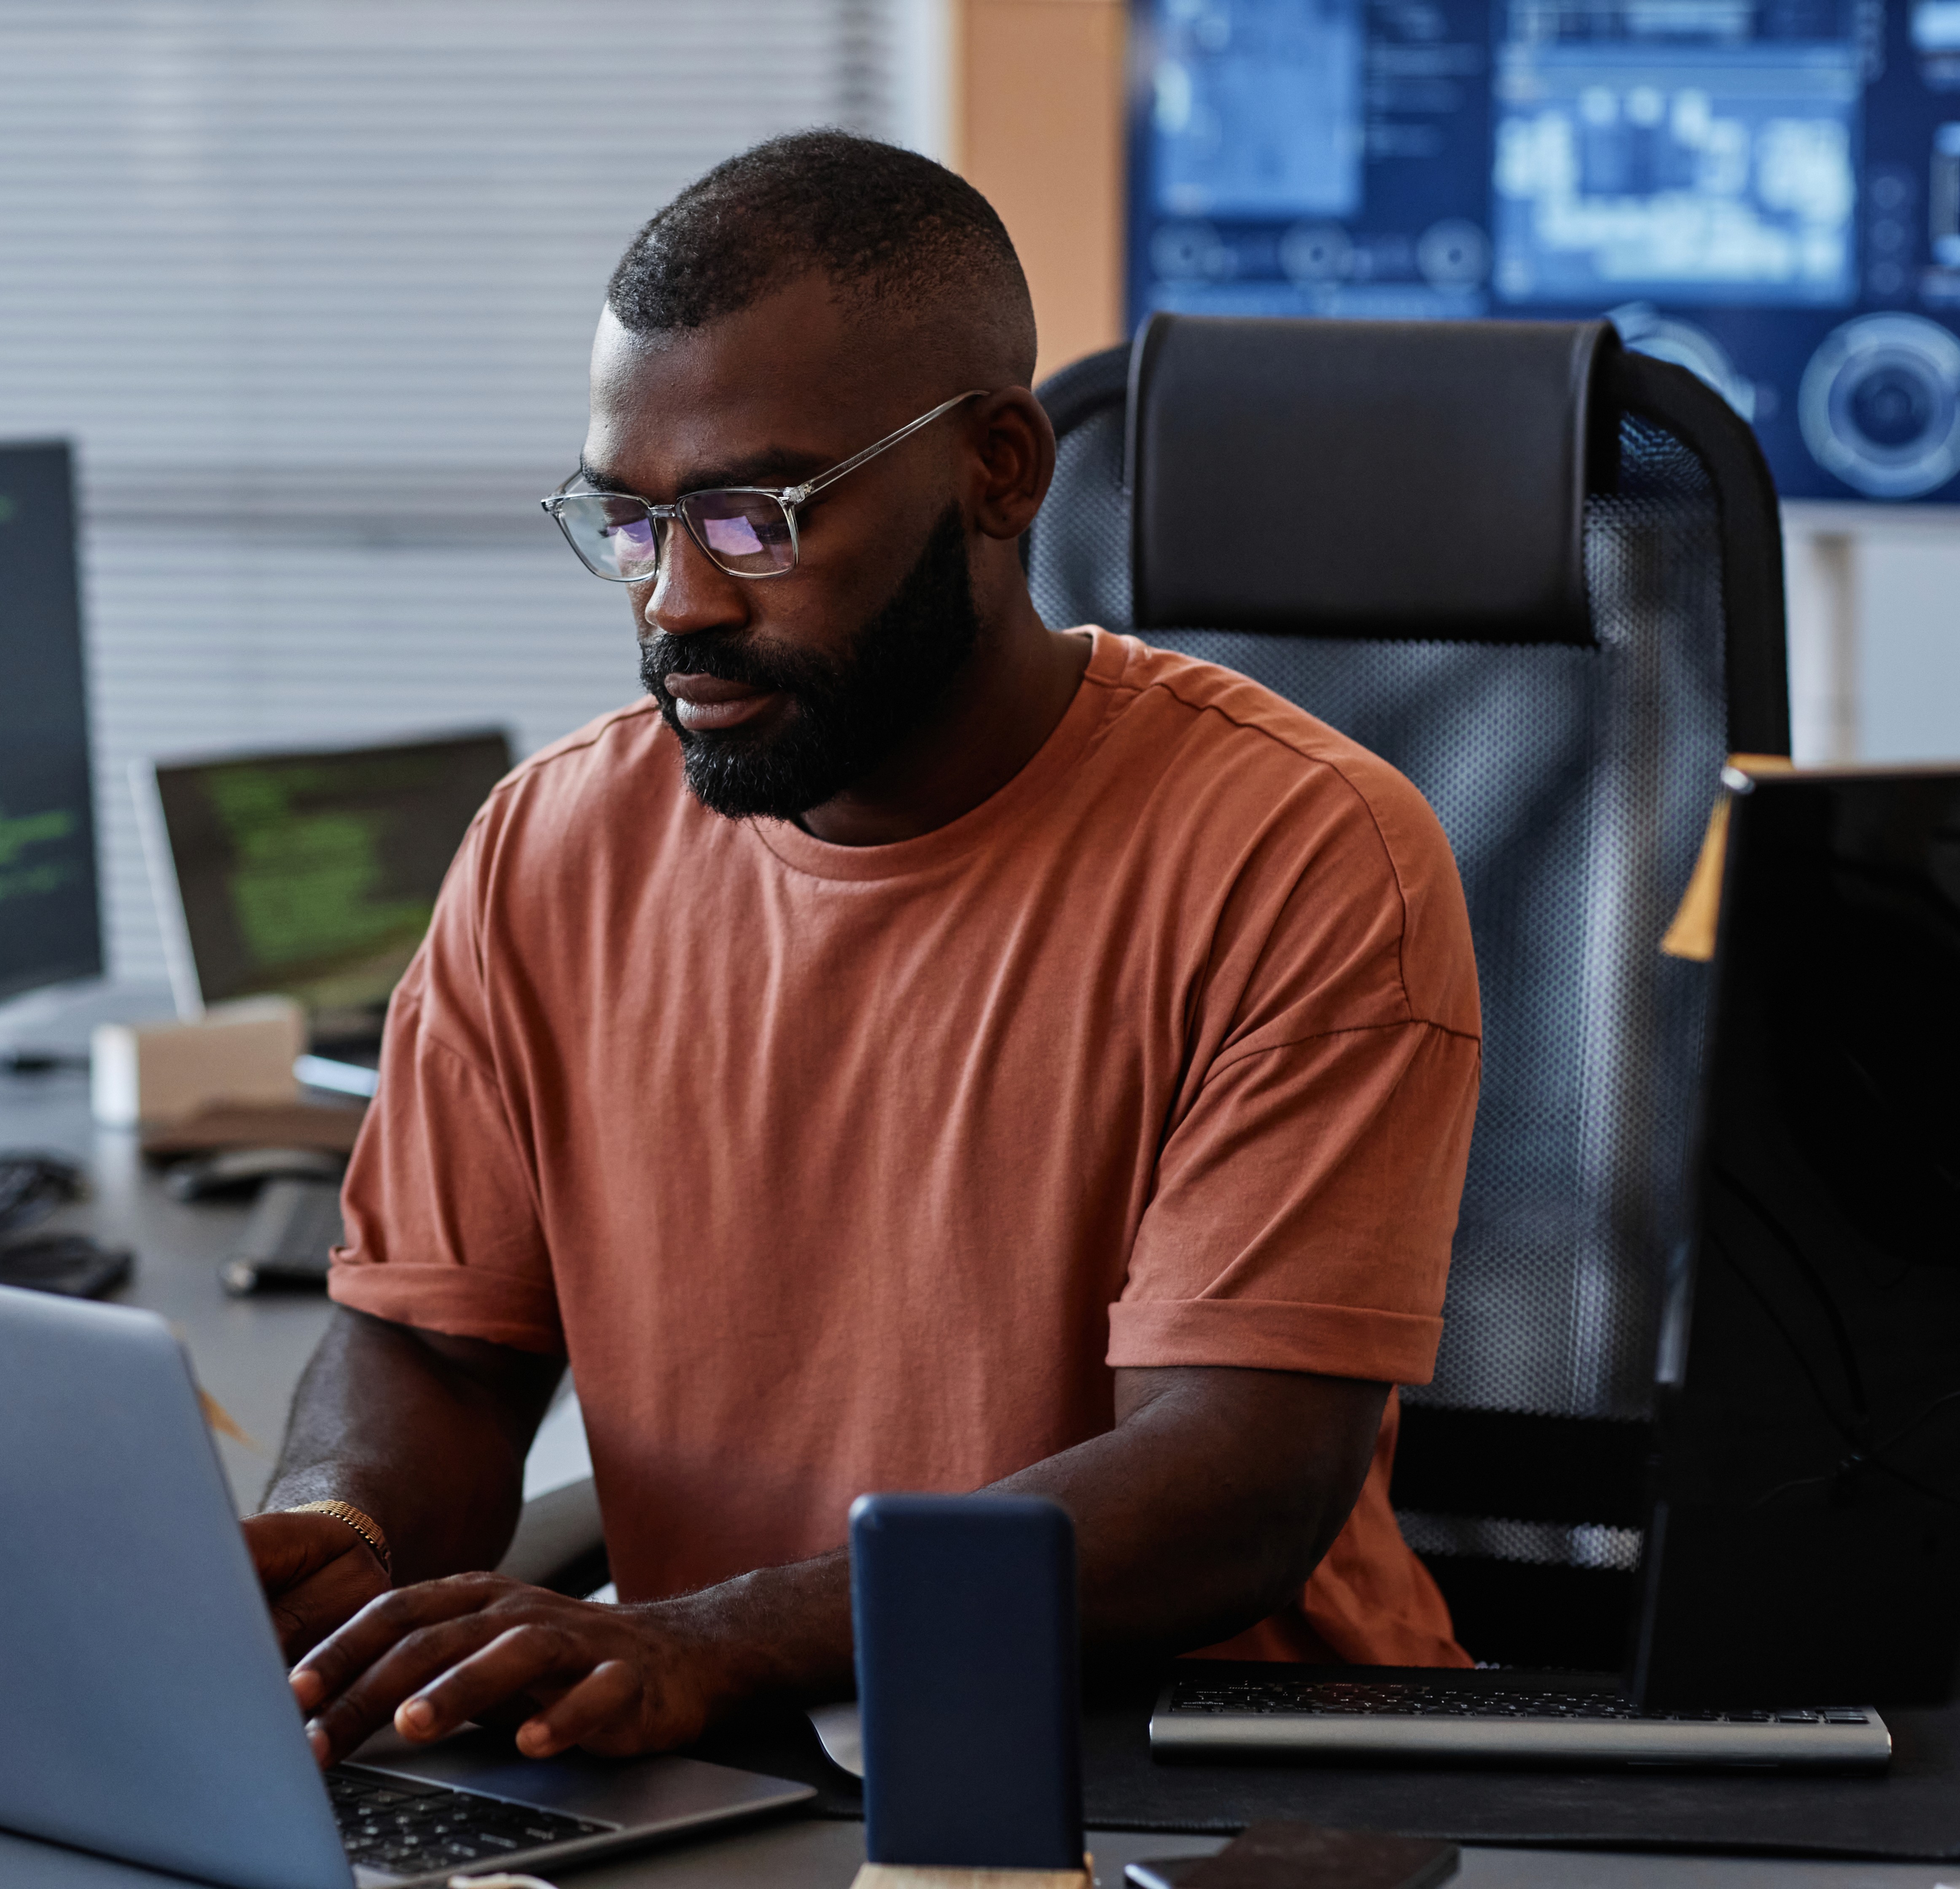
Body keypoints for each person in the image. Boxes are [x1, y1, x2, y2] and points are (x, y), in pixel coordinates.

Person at [244, 129, 1482, 1771]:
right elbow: (437, 1349)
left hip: (1188, 1768)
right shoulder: (549, 848)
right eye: (631, 521)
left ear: (997, 469)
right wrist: (349, 1550)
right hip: (733, 1761)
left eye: (753, 519)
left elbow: (1236, 1472)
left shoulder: (1303, 850)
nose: (674, 601)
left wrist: (708, 1640)